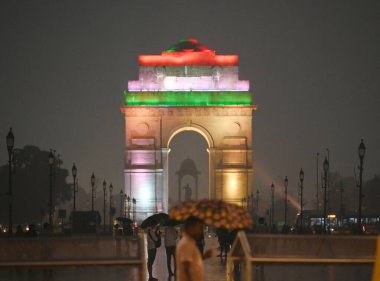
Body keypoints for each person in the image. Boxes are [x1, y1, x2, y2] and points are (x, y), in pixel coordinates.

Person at [176, 216, 212, 281]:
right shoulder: (186, 244)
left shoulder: (190, 242)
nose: (200, 231)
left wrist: (204, 257)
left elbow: (191, 261)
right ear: (191, 227)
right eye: (199, 228)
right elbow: (186, 268)